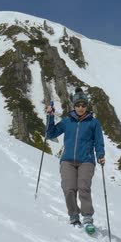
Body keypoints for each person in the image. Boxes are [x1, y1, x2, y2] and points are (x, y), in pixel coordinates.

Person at [45, 87, 105, 229]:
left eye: (83, 105)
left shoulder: (93, 123)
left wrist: (100, 155)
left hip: (86, 160)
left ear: (86, 106)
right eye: (78, 105)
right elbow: (51, 133)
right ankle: (73, 216)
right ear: (74, 106)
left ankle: (88, 218)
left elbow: (99, 141)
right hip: (67, 160)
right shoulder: (67, 122)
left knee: (83, 187)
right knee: (69, 188)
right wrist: (50, 116)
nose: (80, 108)